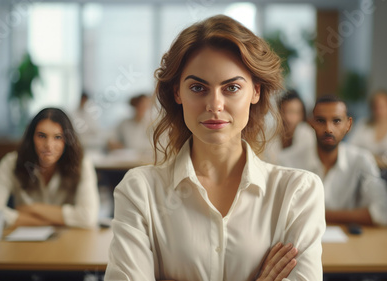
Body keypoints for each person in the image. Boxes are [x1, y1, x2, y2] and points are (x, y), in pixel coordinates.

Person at [105, 15, 325, 281]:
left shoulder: (298, 193)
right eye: (198, 87)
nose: (214, 105)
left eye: (231, 87)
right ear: (178, 93)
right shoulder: (139, 191)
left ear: (255, 91)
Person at [0, 108, 99, 228]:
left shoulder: (81, 163)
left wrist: (32, 209)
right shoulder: (11, 162)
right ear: (31, 138)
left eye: (57, 137)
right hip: (23, 241)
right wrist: (48, 222)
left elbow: (88, 216)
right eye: (42, 136)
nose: (49, 146)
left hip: (69, 242)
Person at [304, 95, 387, 226]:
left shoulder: (361, 159)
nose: (328, 128)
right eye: (321, 121)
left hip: (350, 242)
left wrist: (320, 214)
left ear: (348, 124)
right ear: (311, 123)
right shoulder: (288, 160)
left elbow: (382, 213)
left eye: (336, 121)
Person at [264, 89, 316, 168]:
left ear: (302, 114)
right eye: (284, 111)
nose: (288, 118)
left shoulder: (307, 133)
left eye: (294, 112)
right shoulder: (269, 133)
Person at [108, 94, 155, 162]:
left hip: (145, 159)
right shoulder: (124, 123)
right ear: (135, 106)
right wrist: (114, 144)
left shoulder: (151, 124)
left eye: (146, 105)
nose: (143, 108)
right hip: (126, 158)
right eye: (141, 105)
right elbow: (111, 138)